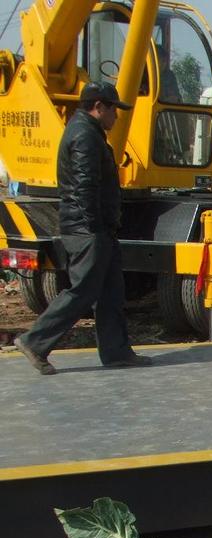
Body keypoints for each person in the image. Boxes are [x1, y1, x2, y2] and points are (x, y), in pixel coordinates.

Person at [14, 81, 151, 375]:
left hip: (99, 228)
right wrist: (93, 229)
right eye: (114, 109)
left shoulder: (90, 133)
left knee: (112, 292)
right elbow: (83, 187)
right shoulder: (84, 136)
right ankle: (35, 342)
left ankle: (117, 352)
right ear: (98, 107)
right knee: (83, 291)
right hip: (89, 230)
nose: (117, 116)